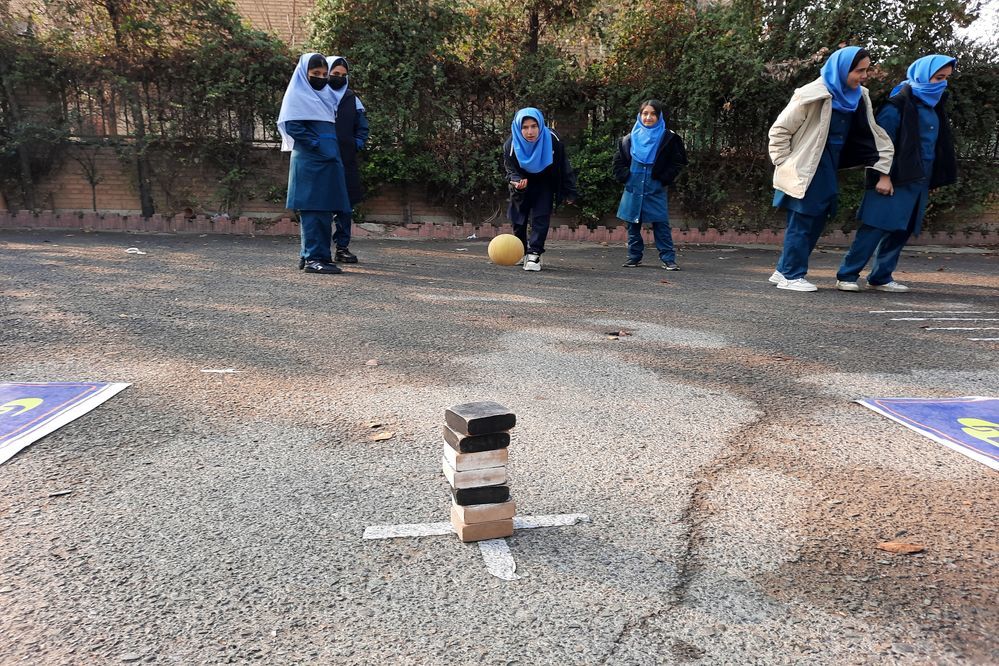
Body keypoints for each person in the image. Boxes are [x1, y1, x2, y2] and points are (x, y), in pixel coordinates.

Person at [768, 46, 894, 292]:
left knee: (816, 219)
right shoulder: (811, 94)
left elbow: (867, 129)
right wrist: (783, 162)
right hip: (806, 167)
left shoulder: (858, 96)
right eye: (859, 70)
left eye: (866, 70)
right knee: (802, 220)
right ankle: (792, 276)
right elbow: (780, 130)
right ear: (842, 69)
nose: (864, 75)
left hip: (828, 166)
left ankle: (783, 270)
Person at [835, 55, 957, 293]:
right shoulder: (897, 105)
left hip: (919, 179)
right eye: (939, 77)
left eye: (946, 79)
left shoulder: (934, 105)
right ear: (923, 75)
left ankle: (881, 277)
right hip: (893, 178)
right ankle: (847, 275)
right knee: (875, 226)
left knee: (903, 229)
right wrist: (883, 176)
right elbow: (881, 143)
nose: (943, 84)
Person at [277, 53, 352, 275]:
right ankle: (314, 258)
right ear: (304, 74)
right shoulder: (297, 96)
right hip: (312, 163)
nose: (321, 78)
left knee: (324, 211)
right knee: (314, 211)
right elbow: (292, 125)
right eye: (315, 74)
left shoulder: (325, 97)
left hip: (327, 161)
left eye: (323, 74)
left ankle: (311, 255)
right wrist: (317, 145)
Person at [612, 99, 688, 270]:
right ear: (639, 115)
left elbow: (677, 162)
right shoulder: (628, 139)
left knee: (661, 224)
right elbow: (618, 163)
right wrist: (627, 177)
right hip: (634, 185)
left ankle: (668, 258)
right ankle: (634, 257)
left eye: (653, 113)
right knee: (633, 224)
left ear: (660, 116)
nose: (648, 117)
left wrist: (663, 178)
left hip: (655, 185)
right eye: (645, 113)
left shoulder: (669, 138)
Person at [503, 108, 579, 272]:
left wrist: (569, 190)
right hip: (521, 185)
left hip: (545, 182)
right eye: (525, 127)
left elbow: (563, 165)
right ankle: (521, 251)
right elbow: (510, 169)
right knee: (518, 220)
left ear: (540, 125)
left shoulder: (553, 139)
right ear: (518, 128)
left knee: (541, 218)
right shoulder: (510, 144)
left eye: (534, 126)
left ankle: (534, 253)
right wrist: (516, 181)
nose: (530, 132)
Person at [326, 55, 370, 264]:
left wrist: (356, 143)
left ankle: (342, 248)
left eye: (343, 75)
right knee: (322, 207)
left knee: (345, 207)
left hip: (346, 161)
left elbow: (362, 127)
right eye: (335, 74)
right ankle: (320, 250)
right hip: (323, 161)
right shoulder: (318, 96)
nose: (339, 78)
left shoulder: (352, 98)